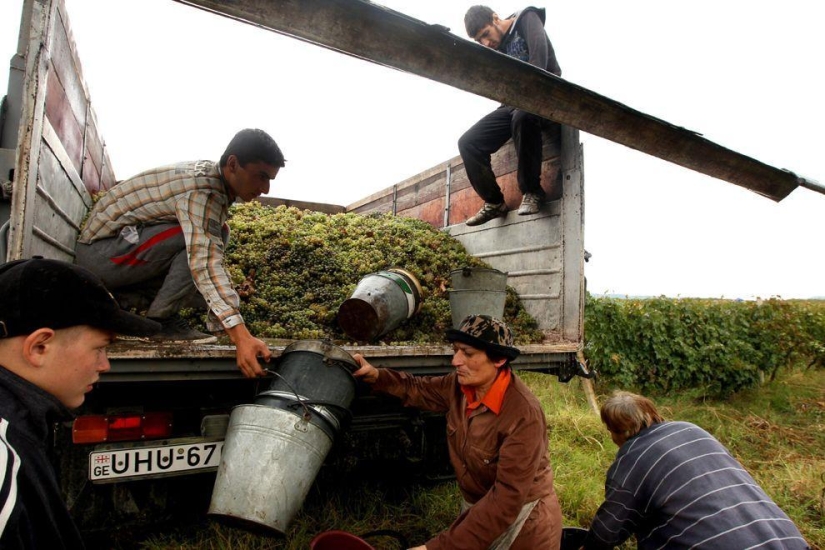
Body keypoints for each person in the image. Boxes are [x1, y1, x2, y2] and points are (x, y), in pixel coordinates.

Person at [76, 128, 284, 378]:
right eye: (261, 176)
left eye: (270, 179)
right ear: (232, 164)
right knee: (194, 242)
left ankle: (131, 299)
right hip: (100, 254)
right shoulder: (204, 193)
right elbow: (204, 262)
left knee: (218, 232)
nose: (266, 188)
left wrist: (221, 313)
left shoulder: (214, 181)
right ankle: (161, 322)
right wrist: (241, 336)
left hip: (121, 252)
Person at [352, 314, 562, 550]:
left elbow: (507, 498)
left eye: (468, 354)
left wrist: (435, 548)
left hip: (523, 525)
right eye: (456, 350)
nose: (455, 361)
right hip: (479, 511)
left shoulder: (523, 415)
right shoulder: (459, 387)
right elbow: (416, 388)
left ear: (499, 359)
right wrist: (377, 376)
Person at [0, 257, 161, 548]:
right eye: (99, 348)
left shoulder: (22, 426)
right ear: (39, 347)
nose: (105, 365)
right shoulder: (3, 453)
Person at [582, 391, 810, 549]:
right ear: (652, 414)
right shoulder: (692, 430)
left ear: (617, 433)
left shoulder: (631, 460)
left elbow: (607, 531)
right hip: (787, 538)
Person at [459, 5, 562, 226]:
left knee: (523, 117)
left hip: (545, 95)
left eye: (486, 34)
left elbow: (540, 63)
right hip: (513, 103)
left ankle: (533, 191)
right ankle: (494, 202)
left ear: (495, 18)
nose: (486, 43)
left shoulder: (527, 19)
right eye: (480, 41)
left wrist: (527, 96)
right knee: (468, 142)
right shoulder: (495, 50)